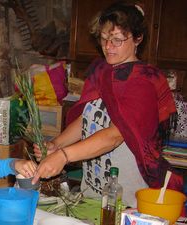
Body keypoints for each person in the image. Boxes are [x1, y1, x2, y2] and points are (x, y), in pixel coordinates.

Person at [32, 1, 183, 208]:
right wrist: (57, 144)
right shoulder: (101, 72)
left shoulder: (143, 82)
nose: (108, 47)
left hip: (125, 196)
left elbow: (114, 136)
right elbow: (88, 117)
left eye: (117, 40)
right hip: (91, 189)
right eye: (104, 39)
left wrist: (64, 155)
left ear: (138, 38)